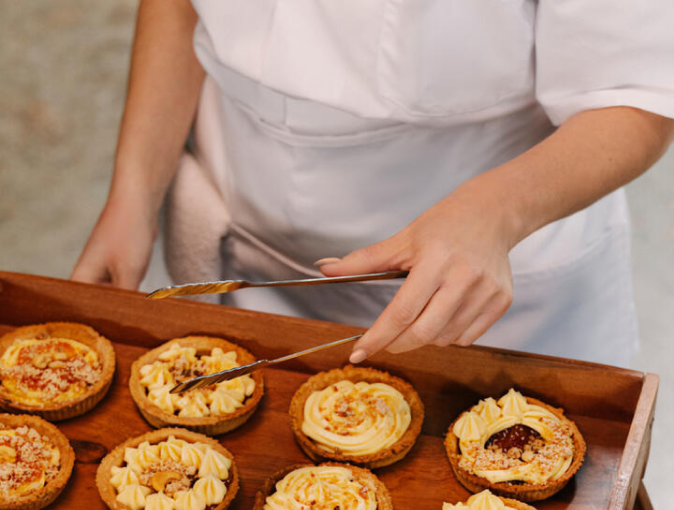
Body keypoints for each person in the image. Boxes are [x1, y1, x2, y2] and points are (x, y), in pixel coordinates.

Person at [72, 0, 674, 368]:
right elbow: (184, 5)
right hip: (250, 240)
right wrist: (133, 191)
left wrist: (494, 215)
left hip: (488, 262)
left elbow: (635, 100)